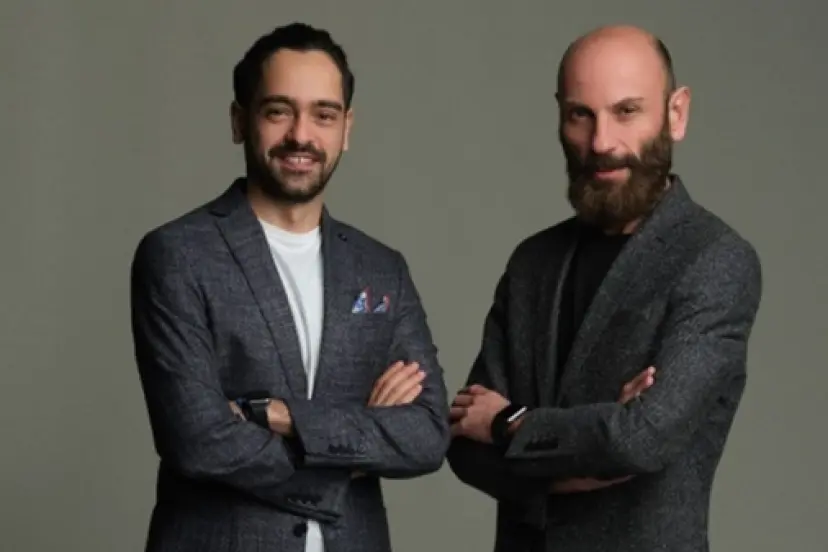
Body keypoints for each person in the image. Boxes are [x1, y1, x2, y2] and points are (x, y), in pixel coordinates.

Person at [129, 22, 450, 552]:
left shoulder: (381, 269)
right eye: (279, 111)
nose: (302, 135)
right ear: (240, 120)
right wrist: (351, 456)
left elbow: (427, 434)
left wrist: (279, 416)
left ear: (346, 128)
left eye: (324, 115)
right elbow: (198, 440)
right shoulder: (178, 255)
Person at [446, 24, 763, 552]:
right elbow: (463, 444)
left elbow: (641, 439)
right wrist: (588, 453)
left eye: (626, 111)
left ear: (676, 114)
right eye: (581, 115)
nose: (601, 143)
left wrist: (507, 422)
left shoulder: (715, 260)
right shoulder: (533, 262)